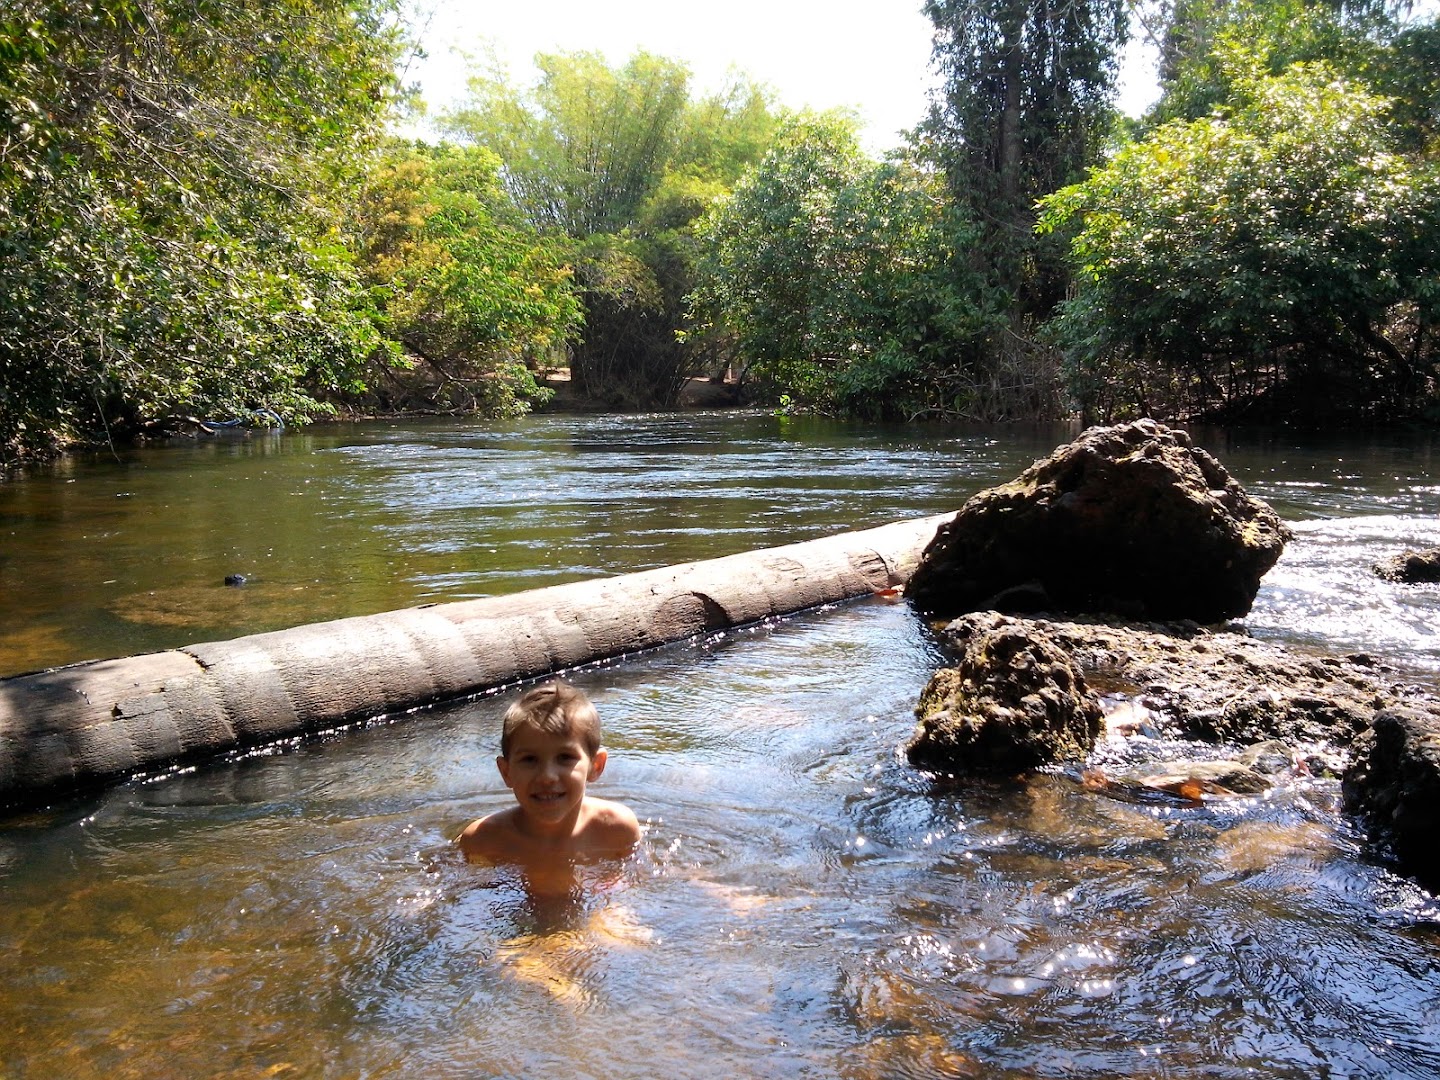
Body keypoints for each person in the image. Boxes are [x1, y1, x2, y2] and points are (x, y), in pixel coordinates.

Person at [457, 681, 641, 868]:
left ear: (596, 766)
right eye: (529, 759)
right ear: (506, 772)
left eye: (565, 757)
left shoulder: (617, 830)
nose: (547, 776)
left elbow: (627, 887)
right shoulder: (483, 840)